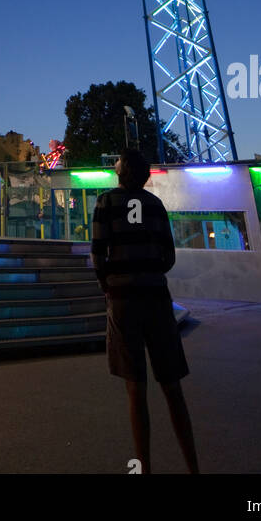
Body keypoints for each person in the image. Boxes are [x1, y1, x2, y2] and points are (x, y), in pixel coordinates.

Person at [91, 148, 199, 474]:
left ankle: (145, 467)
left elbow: (98, 251)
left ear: (123, 171)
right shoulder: (155, 205)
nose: (113, 164)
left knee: (135, 388)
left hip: (124, 300)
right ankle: (193, 467)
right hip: (156, 298)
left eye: (117, 161)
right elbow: (169, 255)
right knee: (172, 387)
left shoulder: (106, 203)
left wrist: (107, 283)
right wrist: (150, 270)